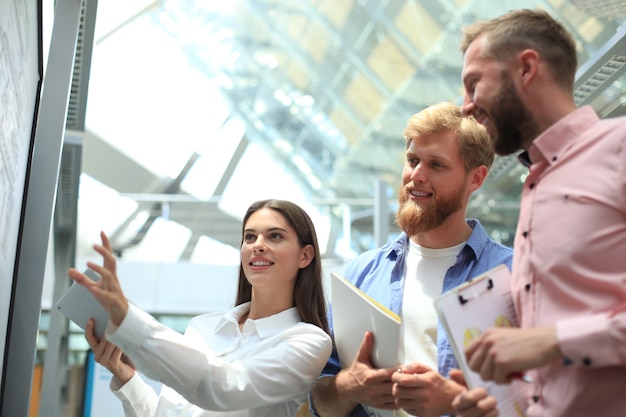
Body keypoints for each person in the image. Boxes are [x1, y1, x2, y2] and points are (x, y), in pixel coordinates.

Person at [453, 8, 626, 417]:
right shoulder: (536, 184)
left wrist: (554, 341)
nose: (465, 107)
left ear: (527, 68)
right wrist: (506, 403)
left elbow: (552, 342)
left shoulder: (618, 149)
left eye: (474, 83)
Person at [309, 102, 514, 417]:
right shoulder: (361, 273)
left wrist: (455, 400)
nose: (416, 176)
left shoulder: (512, 275)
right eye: (413, 160)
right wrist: (348, 386)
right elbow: (319, 400)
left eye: (436, 165)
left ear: (476, 178)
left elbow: (547, 396)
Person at [68, 199, 333, 417]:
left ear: (305, 256)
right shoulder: (202, 327)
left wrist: (129, 321)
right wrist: (125, 376)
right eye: (249, 237)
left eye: (275, 236)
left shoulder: (309, 341)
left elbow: (221, 387)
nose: (257, 245)